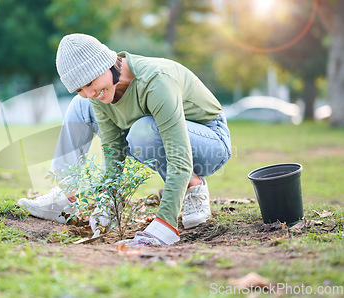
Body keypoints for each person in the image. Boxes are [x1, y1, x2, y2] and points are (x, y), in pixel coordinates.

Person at [18, 33, 231, 246]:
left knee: (142, 131)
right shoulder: (99, 91)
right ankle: (65, 197)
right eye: (79, 88)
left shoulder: (155, 81)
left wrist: (165, 225)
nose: (89, 93)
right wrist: (108, 202)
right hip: (152, 132)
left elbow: (180, 159)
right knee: (79, 106)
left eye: (90, 83)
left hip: (210, 142)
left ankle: (194, 186)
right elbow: (113, 147)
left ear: (106, 64)